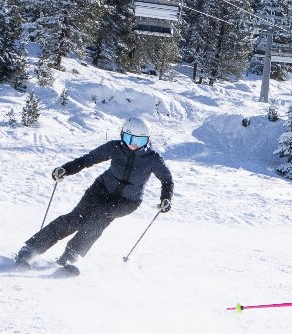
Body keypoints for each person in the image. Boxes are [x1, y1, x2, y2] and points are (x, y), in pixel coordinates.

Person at [14, 116, 174, 276]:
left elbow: (167, 180)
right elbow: (87, 160)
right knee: (75, 218)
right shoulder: (114, 147)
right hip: (101, 189)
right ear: (122, 135)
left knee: (100, 217)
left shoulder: (153, 159)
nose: (132, 144)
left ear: (147, 140)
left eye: (139, 141)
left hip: (127, 201)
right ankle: (30, 249)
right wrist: (65, 169)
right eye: (128, 138)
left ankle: (69, 257)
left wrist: (165, 198)